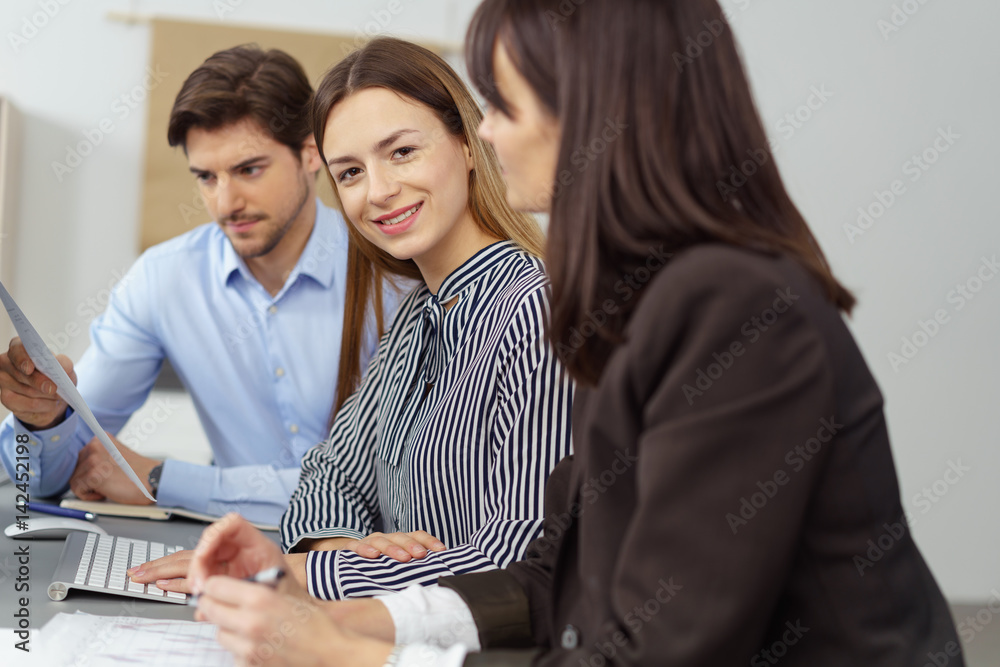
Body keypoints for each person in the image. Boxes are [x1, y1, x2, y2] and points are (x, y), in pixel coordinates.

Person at [187, 1, 963, 665]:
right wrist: (346, 612)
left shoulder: (734, 308)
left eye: (502, 105)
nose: (487, 132)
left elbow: (652, 651)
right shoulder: (633, 301)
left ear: (596, 108)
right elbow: (550, 569)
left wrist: (356, 655)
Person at [133, 37, 574, 599]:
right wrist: (333, 546)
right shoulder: (419, 316)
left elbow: (520, 563)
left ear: (468, 143)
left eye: (401, 152)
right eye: (349, 173)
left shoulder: (537, 312)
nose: (379, 192)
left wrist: (299, 572)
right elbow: (328, 477)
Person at [0, 45, 395, 527]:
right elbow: (61, 473)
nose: (226, 202)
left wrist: (164, 479)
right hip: (235, 553)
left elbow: (378, 490)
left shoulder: (394, 276)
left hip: (378, 563)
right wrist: (44, 420)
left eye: (249, 169)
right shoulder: (165, 278)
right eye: (206, 177)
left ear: (311, 154)